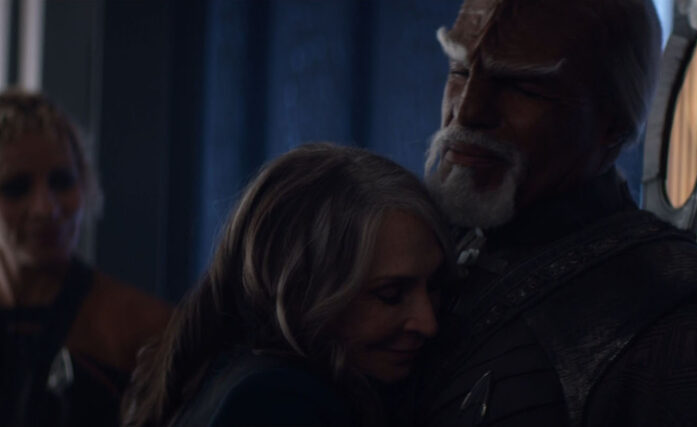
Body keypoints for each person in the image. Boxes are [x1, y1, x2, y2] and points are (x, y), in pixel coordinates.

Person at [417, 0, 697, 426]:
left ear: (612, 123)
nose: (467, 111)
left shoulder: (676, 328)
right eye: (460, 71)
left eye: (524, 87)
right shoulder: (425, 250)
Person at [122, 143, 452, 426]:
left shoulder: (232, 373)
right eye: (390, 294)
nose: (429, 323)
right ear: (301, 291)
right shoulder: (277, 402)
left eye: (435, 286)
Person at [0, 90, 171, 427]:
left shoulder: (146, 334)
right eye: (16, 187)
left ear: (84, 185)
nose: (46, 208)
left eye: (62, 181)